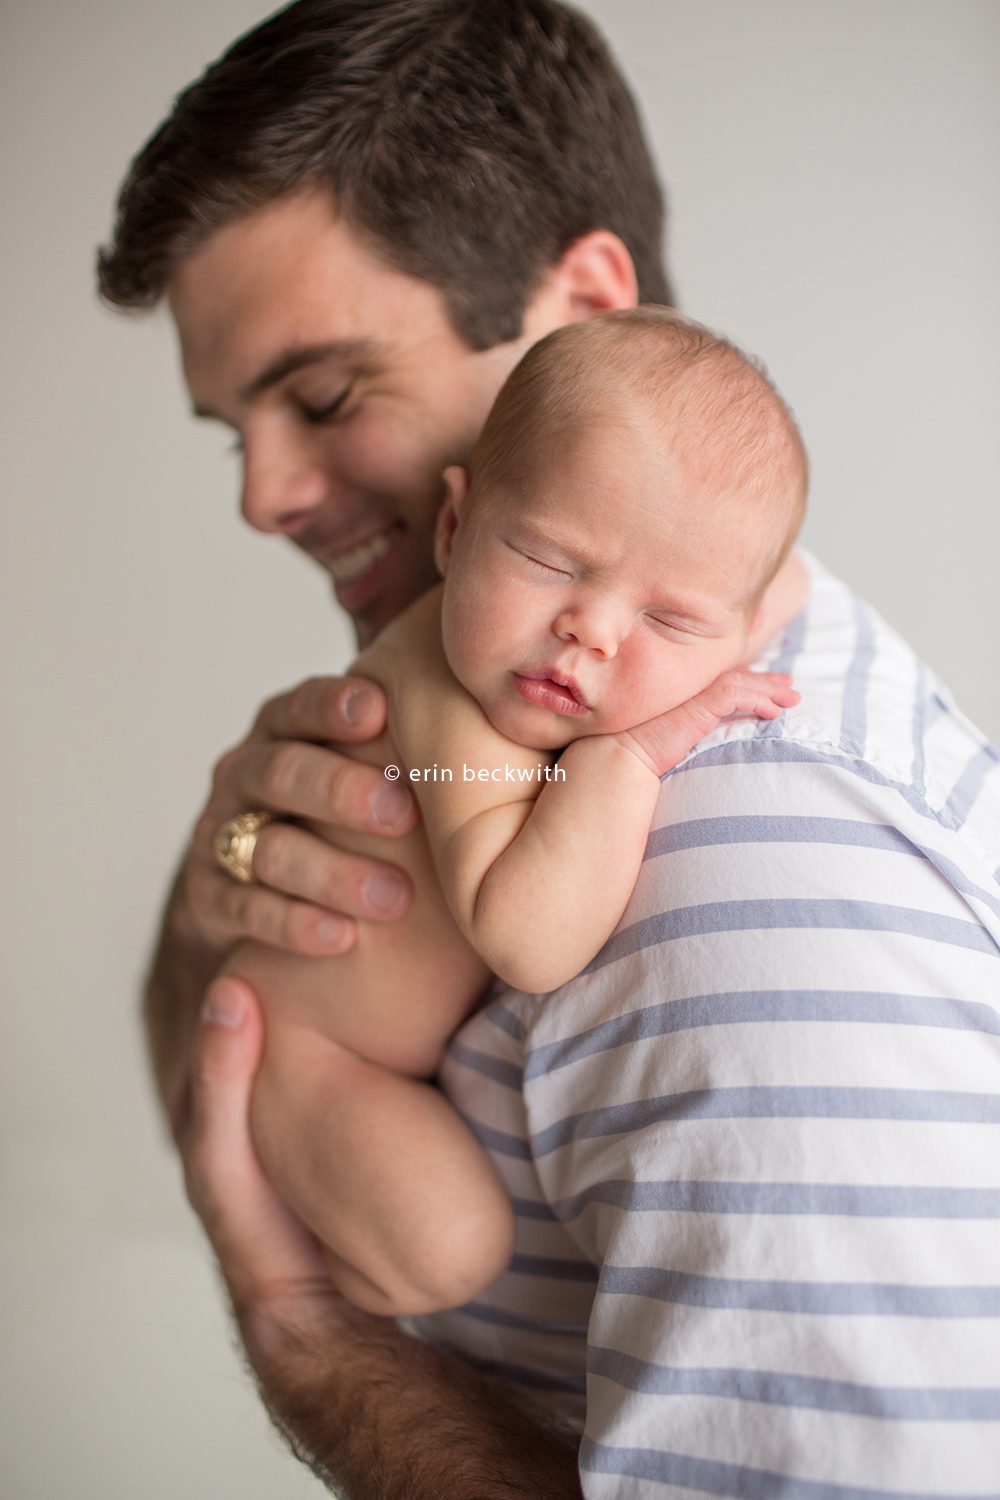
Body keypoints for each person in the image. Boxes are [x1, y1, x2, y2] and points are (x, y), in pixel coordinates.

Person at [98, 1, 1000, 1494]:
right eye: (231, 428)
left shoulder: (759, 893)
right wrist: (228, 889)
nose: (261, 494)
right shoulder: (483, 698)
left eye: (322, 395)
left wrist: (306, 1333)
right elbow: (228, 1071)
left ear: (588, 306)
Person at [227, 309, 803, 1319]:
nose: (590, 630)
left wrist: (720, 619)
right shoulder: (448, 694)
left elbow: (775, 580)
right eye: (547, 561)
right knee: (449, 1250)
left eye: (669, 619)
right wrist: (624, 758)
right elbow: (527, 937)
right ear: (455, 531)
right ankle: (318, 1269)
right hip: (320, 1053)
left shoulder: (642, 611)